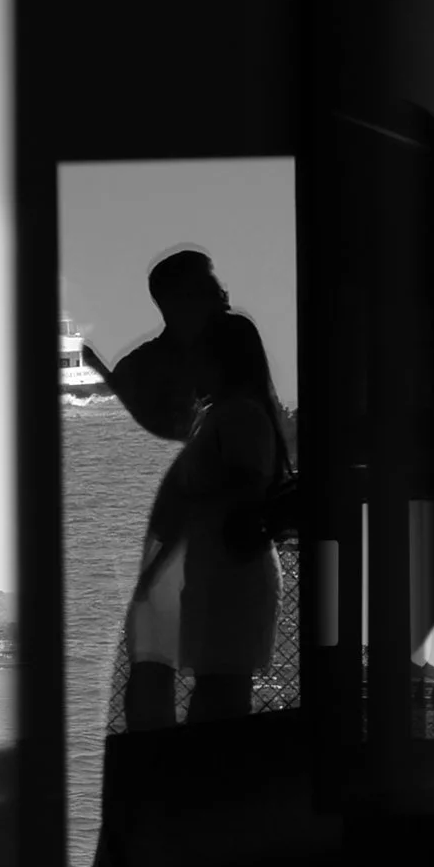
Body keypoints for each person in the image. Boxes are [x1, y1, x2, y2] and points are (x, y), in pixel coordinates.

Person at [95, 250, 230, 732]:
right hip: (178, 536)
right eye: (214, 289)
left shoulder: (139, 369)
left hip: (164, 537)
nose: (224, 298)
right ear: (181, 299)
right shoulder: (229, 368)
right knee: (205, 670)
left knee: (156, 664)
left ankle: (155, 778)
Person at [171, 309, 288, 725]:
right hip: (220, 567)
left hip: (229, 571)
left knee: (220, 693)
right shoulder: (228, 413)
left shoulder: (236, 415)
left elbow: (246, 488)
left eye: (199, 356)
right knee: (220, 689)